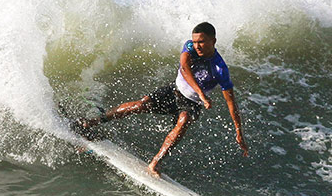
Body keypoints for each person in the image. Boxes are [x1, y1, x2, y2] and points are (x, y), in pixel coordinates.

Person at [76, 22, 249, 177]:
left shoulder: (220, 69)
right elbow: (185, 67)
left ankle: (155, 163)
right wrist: (202, 94)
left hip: (192, 103)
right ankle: (92, 122)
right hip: (174, 91)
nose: (197, 46)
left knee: (184, 120)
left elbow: (231, 102)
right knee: (139, 104)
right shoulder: (189, 47)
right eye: (195, 41)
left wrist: (238, 131)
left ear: (213, 41)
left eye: (201, 42)